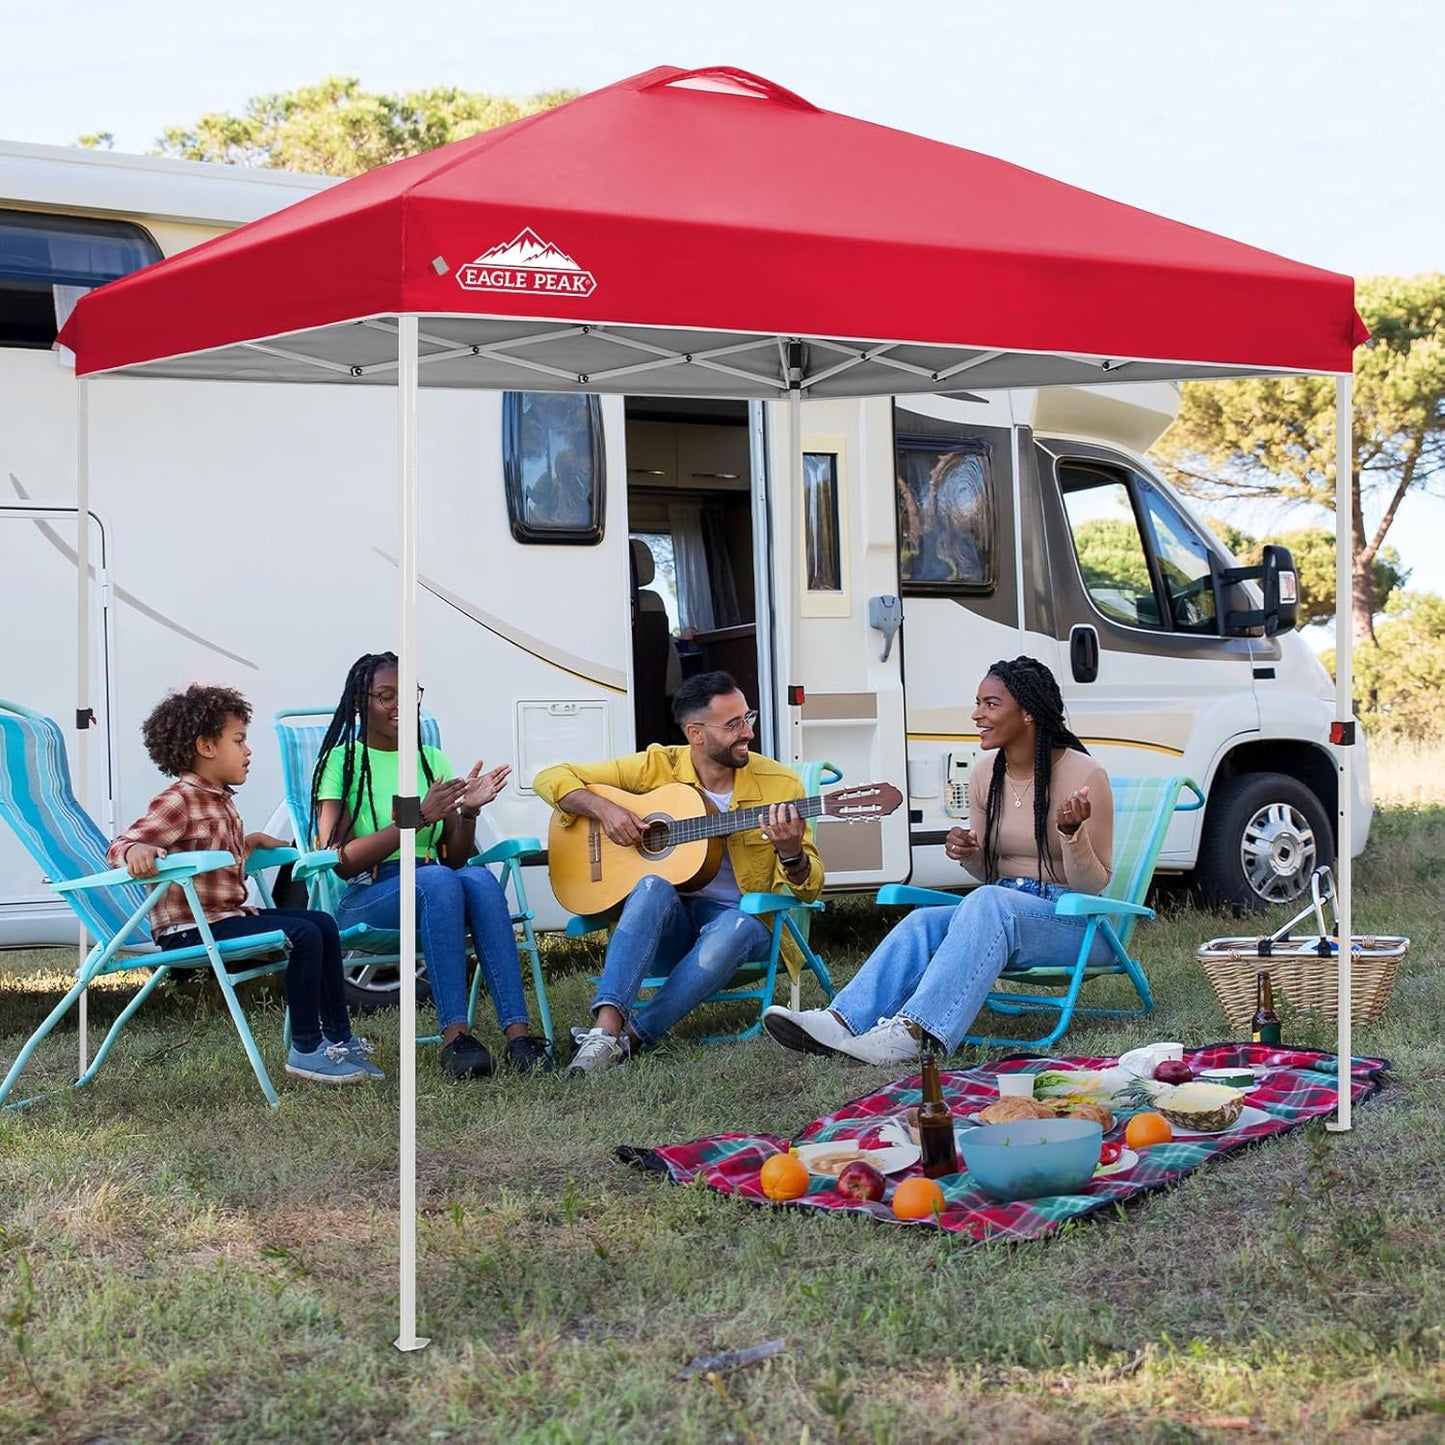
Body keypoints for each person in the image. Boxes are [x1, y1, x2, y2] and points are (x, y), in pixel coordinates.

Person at [763, 655, 1113, 1065]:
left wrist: (1071, 835)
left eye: (990, 704)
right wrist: (969, 855)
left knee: (987, 902)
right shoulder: (987, 774)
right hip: (1002, 913)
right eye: (977, 703)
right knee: (922, 921)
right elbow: (990, 877)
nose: (977, 714)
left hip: (1075, 924)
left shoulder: (1085, 776)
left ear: (1028, 713)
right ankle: (841, 1021)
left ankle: (914, 1032)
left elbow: (1094, 886)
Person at [534, 670, 823, 1073]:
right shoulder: (657, 766)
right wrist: (606, 810)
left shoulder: (779, 785)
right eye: (733, 724)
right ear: (696, 734)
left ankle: (631, 1038)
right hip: (669, 927)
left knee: (736, 925)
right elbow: (548, 777)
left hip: (740, 926)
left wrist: (791, 853)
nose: (748, 733)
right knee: (651, 883)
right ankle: (604, 1031)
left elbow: (809, 890)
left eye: (748, 718)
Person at [108, 684, 381, 1085]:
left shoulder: (221, 799)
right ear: (205, 747)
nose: (248, 751)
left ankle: (339, 1040)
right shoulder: (180, 798)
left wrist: (249, 842)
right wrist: (135, 852)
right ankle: (306, 1047)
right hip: (191, 930)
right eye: (238, 740)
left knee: (321, 922)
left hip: (226, 917)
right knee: (304, 933)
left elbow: (208, 848)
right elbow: (124, 842)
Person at [309, 652, 552, 1079]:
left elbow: (454, 856)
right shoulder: (343, 762)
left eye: (409, 695)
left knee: (476, 877)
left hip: (431, 882)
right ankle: (456, 1038)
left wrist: (470, 811)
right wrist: (416, 817)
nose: (401, 705)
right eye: (386, 696)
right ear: (360, 702)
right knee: (441, 879)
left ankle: (518, 1037)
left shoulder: (430, 759)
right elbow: (339, 860)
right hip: (370, 892)